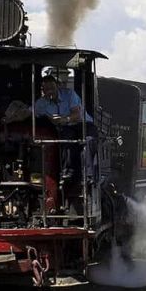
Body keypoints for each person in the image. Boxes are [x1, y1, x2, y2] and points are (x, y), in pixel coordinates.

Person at [33, 73, 95, 209]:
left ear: (58, 87)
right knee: (65, 139)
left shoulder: (70, 94)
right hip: (66, 128)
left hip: (82, 123)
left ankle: (88, 176)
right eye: (46, 89)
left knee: (89, 140)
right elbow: (29, 112)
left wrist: (63, 119)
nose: (50, 92)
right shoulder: (41, 103)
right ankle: (67, 172)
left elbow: (76, 113)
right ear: (42, 90)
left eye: (52, 88)